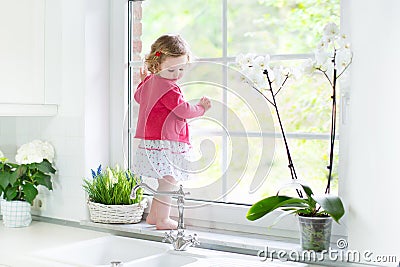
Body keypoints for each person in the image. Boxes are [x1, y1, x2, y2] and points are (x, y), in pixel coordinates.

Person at [133, 34, 211, 230]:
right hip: (166, 142)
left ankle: (153, 216)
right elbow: (183, 110)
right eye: (171, 69)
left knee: (164, 182)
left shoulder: (151, 81)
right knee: (169, 182)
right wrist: (201, 108)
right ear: (157, 64)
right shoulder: (169, 88)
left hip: (153, 141)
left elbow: (138, 97)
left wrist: (144, 82)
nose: (176, 74)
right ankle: (162, 220)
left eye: (181, 69)